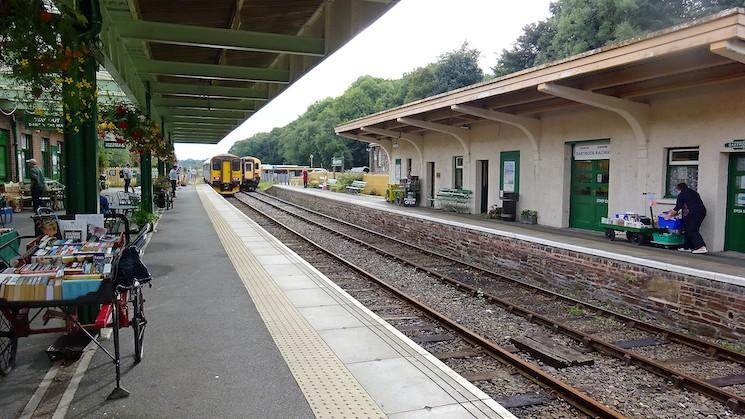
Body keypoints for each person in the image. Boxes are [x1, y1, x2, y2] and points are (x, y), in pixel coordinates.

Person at [669, 182, 708, 254]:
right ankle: (687, 247)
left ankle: (701, 247)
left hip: (693, 213)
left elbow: (678, 207)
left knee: (692, 230)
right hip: (702, 211)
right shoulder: (694, 193)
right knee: (688, 229)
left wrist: (669, 215)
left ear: (679, 189)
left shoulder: (682, 194)